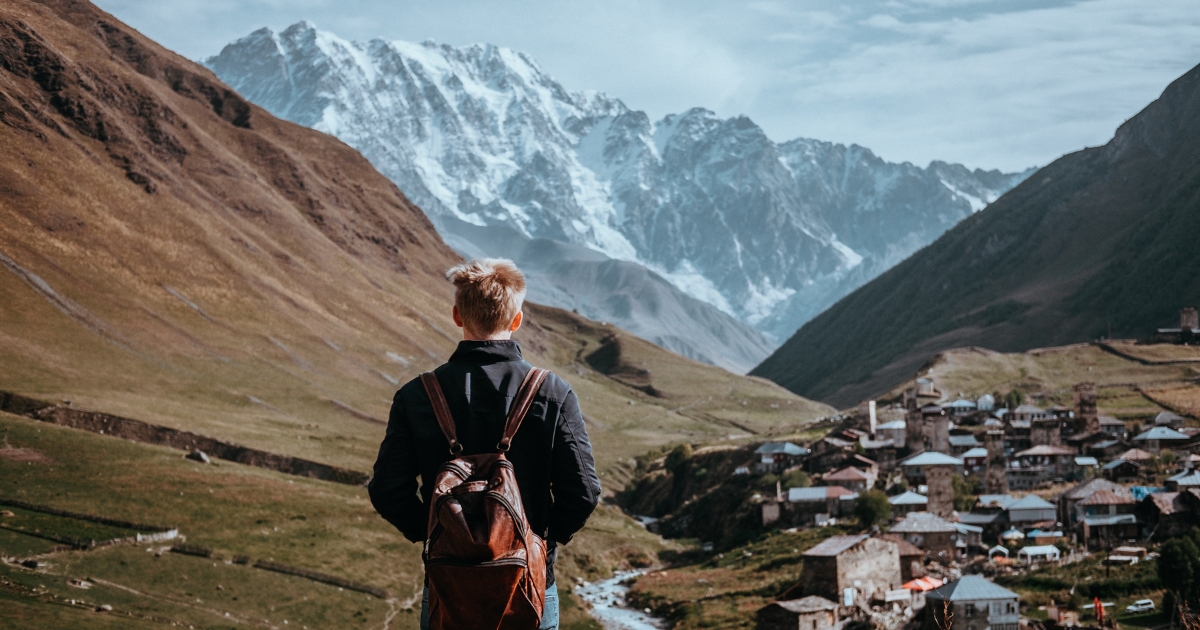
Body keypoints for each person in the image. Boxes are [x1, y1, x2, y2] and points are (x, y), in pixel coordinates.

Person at [369, 258, 601, 630]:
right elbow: (584, 492)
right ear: (517, 320)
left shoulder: (416, 395)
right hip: (530, 586)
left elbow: (387, 490)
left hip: (448, 585)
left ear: (457, 315)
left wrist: (434, 532)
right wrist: (539, 540)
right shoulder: (553, 393)